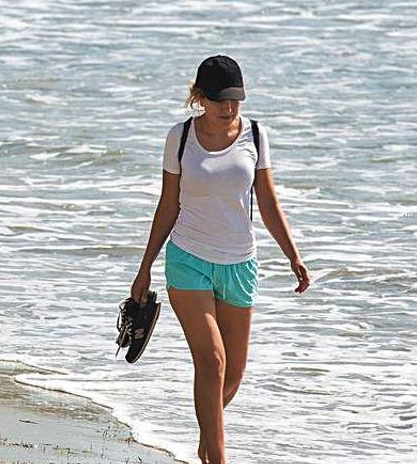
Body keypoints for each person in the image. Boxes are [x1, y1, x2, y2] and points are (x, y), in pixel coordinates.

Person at [130, 55, 310, 464]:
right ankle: (218, 458)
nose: (228, 109)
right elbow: (168, 205)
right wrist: (144, 268)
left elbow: (266, 201)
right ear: (199, 97)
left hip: (240, 264)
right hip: (188, 259)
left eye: (235, 101)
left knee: (232, 377)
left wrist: (293, 256)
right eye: (219, 101)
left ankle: (206, 443)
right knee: (211, 360)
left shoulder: (257, 135)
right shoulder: (180, 139)